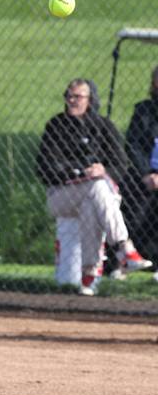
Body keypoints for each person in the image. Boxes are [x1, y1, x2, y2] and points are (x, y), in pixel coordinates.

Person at [35, 78, 152, 296]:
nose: (71, 100)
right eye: (68, 96)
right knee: (96, 187)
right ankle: (124, 248)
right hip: (60, 196)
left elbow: (120, 165)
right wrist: (80, 171)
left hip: (96, 196)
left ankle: (88, 277)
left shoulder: (103, 126)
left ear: (90, 100)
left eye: (77, 96)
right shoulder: (56, 125)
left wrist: (103, 170)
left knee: (92, 203)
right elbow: (44, 168)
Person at [125, 65, 158, 280]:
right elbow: (133, 144)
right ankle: (125, 260)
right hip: (144, 175)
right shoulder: (144, 111)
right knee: (132, 209)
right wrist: (147, 173)